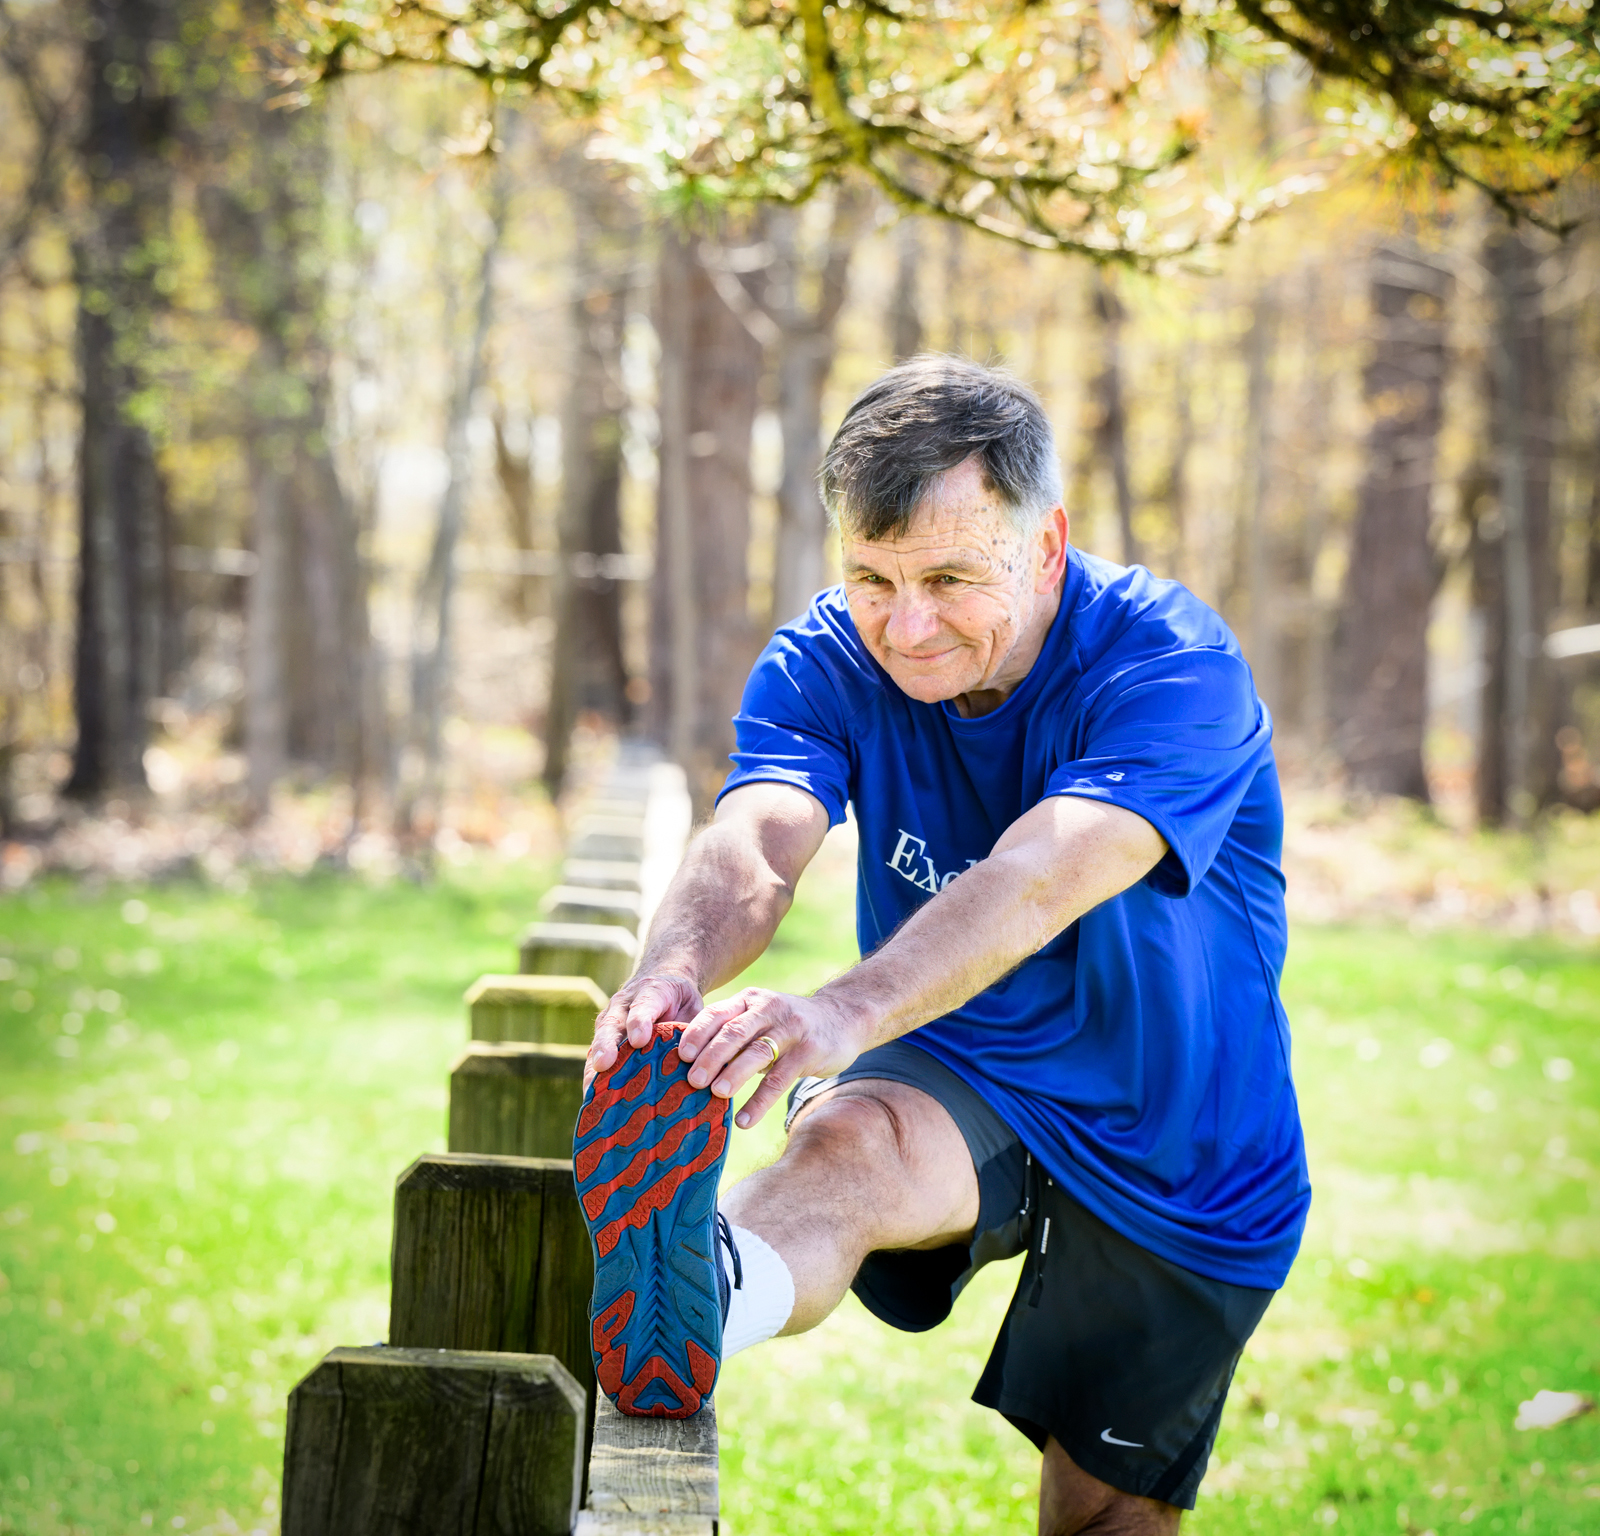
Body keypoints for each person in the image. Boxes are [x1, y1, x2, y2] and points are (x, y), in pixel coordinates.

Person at [575, 356, 1310, 1534]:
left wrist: (836, 1013)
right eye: (870, 578)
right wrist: (672, 968)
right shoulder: (826, 654)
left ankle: (709, 1275)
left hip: (1181, 1133)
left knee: (1102, 1522)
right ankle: (701, 1283)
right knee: (843, 1143)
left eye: (949, 578)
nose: (903, 627)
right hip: (969, 1061)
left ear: (1047, 544)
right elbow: (760, 839)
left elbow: (1036, 878)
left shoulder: (1172, 667)